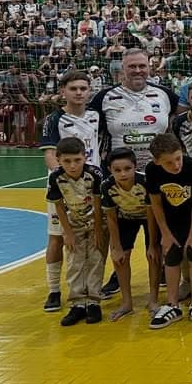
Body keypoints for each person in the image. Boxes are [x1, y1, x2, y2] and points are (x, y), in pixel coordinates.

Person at [38, 70, 101, 313]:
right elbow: (50, 155)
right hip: (63, 188)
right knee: (57, 238)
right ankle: (54, 290)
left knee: (94, 238)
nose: (78, 93)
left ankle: (90, 291)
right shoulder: (54, 120)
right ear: (63, 91)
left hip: (91, 187)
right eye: (73, 88)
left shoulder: (96, 116)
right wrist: (65, 182)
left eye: (83, 89)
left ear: (89, 91)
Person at [145, 133, 192, 330]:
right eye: (169, 163)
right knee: (171, 255)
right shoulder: (152, 171)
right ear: (157, 162)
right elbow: (155, 202)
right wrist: (164, 233)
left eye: (178, 158)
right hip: (170, 219)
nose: (176, 165)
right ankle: (173, 305)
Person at [46, 137, 105, 327]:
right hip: (73, 223)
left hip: (96, 221)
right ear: (58, 160)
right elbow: (59, 206)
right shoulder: (55, 177)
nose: (72, 166)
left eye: (77, 160)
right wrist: (67, 232)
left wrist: (97, 230)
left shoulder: (95, 174)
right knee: (74, 261)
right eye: (67, 161)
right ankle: (77, 303)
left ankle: (94, 302)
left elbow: (98, 203)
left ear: (85, 157)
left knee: (95, 259)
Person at [92, 47, 179, 170]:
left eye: (142, 66)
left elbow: (185, 117)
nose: (138, 70)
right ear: (123, 68)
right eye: (132, 66)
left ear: (149, 67)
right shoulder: (104, 97)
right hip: (119, 173)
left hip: (158, 170)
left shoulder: (165, 94)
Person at [100, 147, 156, 321]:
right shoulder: (107, 186)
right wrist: (115, 246)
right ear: (110, 170)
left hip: (149, 218)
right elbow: (111, 217)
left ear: (135, 166)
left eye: (127, 169)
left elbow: (152, 212)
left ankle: (153, 300)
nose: (123, 174)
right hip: (125, 218)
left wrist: (153, 245)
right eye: (117, 170)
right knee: (120, 257)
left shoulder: (145, 182)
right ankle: (126, 302)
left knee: (153, 256)